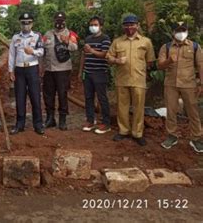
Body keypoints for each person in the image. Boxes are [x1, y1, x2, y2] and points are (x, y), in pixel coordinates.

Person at [107, 14, 155, 146]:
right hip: (122, 80)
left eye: (132, 24)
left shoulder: (146, 42)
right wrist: (117, 60)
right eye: (127, 25)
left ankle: (137, 133)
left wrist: (142, 70)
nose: (129, 27)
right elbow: (109, 58)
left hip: (138, 80)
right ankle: (123, 131)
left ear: (137, 25)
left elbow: (150, 61)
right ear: (123, 26)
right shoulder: (117, 42)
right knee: (122, 107)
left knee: (139, 107)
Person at [157, 22, 203, 153]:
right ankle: (172, 136)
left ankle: (196, 138)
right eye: (178, 30)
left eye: (183, 30)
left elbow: (200, 65)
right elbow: (160, 66)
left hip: (189, 84)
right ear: (173, 32)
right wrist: (169, 61)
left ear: (187, 32)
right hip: (171, 84)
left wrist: (201, 84)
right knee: (171, 111)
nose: (181, 33)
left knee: (193, 112)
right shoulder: (165, 47)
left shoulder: (194, 46)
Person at [8, 13, 45, 135]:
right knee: (20, 97)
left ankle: (38, 125)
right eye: (23, 23)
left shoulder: (37, 36)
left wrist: (32, 51)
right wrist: (10, 70)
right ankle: (20, 124)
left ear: (32, 23)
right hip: (19, 70)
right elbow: (12, 55)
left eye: (28, 22)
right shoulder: (15, 37)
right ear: (20, 24)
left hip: (32, 68)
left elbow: (41, 51)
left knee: (35, 97)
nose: (26, 25)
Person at [42, 11, 78, 130]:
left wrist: (66, 41)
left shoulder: (70, 34)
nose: (59, 23)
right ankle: (50, 118)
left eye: (61, 21)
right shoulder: (48, 34)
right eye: (57, 20)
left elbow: (75, 48)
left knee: (62, 94)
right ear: (54, 21)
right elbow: (42, 48)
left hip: (63, 70)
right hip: (49, 69)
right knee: (48, 95)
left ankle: (62, 120)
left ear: (65, 21)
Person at [79, 16, 112, 134]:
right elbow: (84, 55)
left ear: (101, 26)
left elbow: (105, 54)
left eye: (95, 25)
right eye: (91, 25)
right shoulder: (88, 38)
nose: (93, 27)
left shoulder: (105, 39)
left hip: (100, 72)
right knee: (88, 98)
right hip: (87, 72)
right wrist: (80, 71)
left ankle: (106, 123)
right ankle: (90, 120)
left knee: (102, 98)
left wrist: (92, 50)